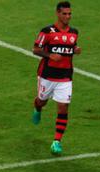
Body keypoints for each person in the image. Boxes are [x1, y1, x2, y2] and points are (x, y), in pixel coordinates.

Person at [31, 1, 81, 155]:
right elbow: (35, 49)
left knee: (63, 107)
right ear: (58, 13)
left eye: (69, 14)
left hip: (65, 77)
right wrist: (49, 55)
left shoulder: (74, 33)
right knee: (42, 100)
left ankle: (56, 141)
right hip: (47, 75)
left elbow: (70, 47)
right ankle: (37, 108)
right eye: (64, 14)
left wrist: (75, 49)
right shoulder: (47, 31)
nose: (68, 17)